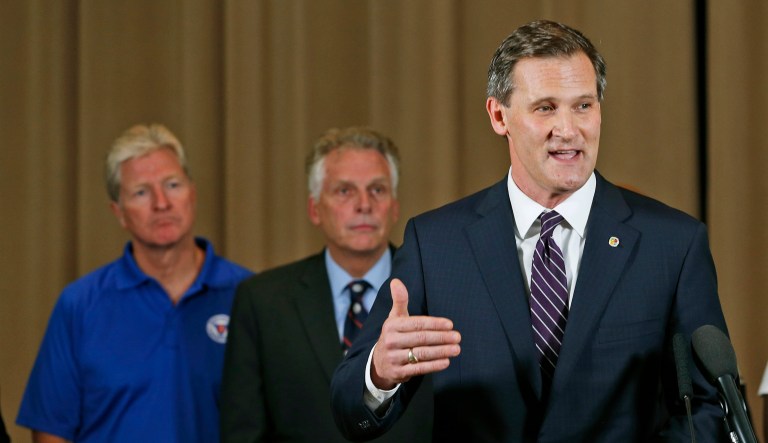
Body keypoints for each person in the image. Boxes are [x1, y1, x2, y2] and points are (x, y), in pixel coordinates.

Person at [330, 20, 728, 442]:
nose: (569, 130)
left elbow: (709, 408)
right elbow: (348, 406)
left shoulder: (672, 244)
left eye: (583, 106)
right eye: (546, 108)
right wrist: (378, 371)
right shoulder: (436, 245)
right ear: (499, 115)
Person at [16, 124, 252, 443]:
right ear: (119, 213)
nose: (161, 203)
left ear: (193, 193)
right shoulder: (80, 305)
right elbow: (50, 430)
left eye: (172, 185)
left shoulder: (249, 296)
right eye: (141, 192)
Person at [220, 127, 432, 442]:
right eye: (344, 191)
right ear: (314, 209)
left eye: (377, 189)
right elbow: (243, 432)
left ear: (395, 206)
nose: (364, 204)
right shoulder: (262, 301)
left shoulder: (437, 291)